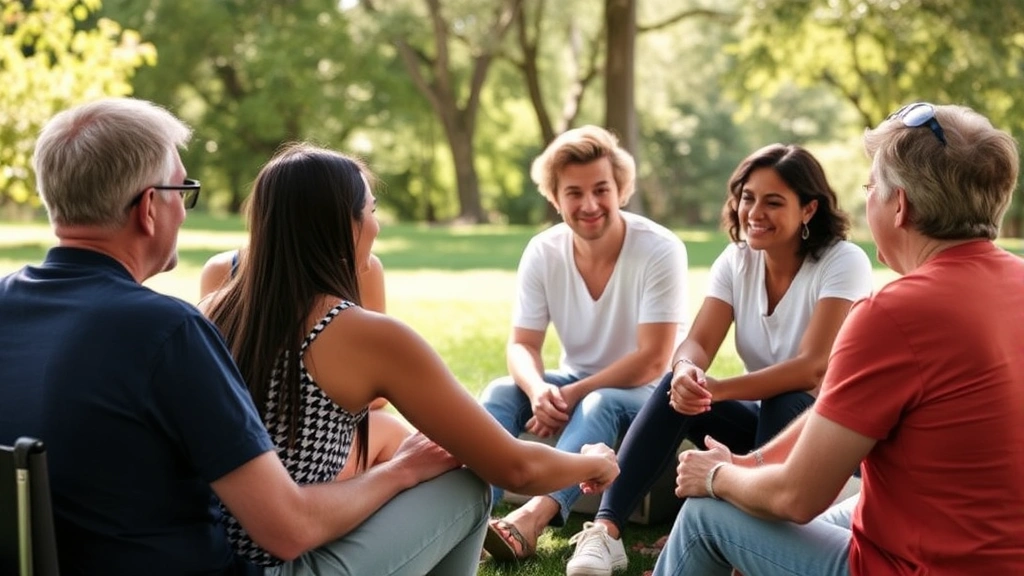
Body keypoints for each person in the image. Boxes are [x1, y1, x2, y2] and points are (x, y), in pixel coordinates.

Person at [0, 98, 616, 576]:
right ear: (148, 208)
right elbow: (287, 529)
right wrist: (401, 472)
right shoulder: (168, 330)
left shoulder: (19, 304)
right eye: (182, 192)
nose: (186, 209)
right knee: (459, 482)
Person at [200, 141, 621, 574]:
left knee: (396, 440)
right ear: (342, 226)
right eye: (372, 209)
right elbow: (514, 467)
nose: (376, 225)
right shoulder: (360, 332)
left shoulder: (209, 310)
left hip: (208, 557)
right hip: (282, 564)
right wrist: (595, 462)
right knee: (465, 481)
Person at [652, 103, 1024, 576]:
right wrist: (751, 462)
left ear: (900, 205)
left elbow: (795, 498)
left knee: (708, 514)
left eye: (872, 188)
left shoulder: (894, 313)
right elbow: (837, 417)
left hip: (920, 565)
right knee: (834, 510)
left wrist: (718, 477)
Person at [565, 144, 873, 576]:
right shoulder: (737, 260)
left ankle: (750, 541)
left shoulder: (843, 261)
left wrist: (719, 388)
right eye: (748, 198)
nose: (755, 212)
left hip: (824, 446)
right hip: (763, 440)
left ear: (808, 210)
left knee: (786, 399)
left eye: (773, 202)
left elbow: (813, 368)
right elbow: (697, 342)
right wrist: (689, 371)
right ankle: (607, 530)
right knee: (677, 386)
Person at [479, 125, 689, 561]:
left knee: (599, 403)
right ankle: (466, 512)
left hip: (646, 394)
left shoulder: (659, 249)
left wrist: (571, 394)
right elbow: (521, 344)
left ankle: (531, 521)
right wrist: (539, 390)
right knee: (502, 390)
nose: (589, 204)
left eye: (601, 189)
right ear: (556, 199)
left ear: (622, 189)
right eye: (574, 193)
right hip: (574, 377)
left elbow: (654, 360)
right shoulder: (543, 251)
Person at [200, 248, 409, 479]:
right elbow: (378, 395)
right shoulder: (362, 267)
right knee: (396, 435)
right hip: (274, 453)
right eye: (372, 211)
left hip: (238, 453)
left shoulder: (221, 272)